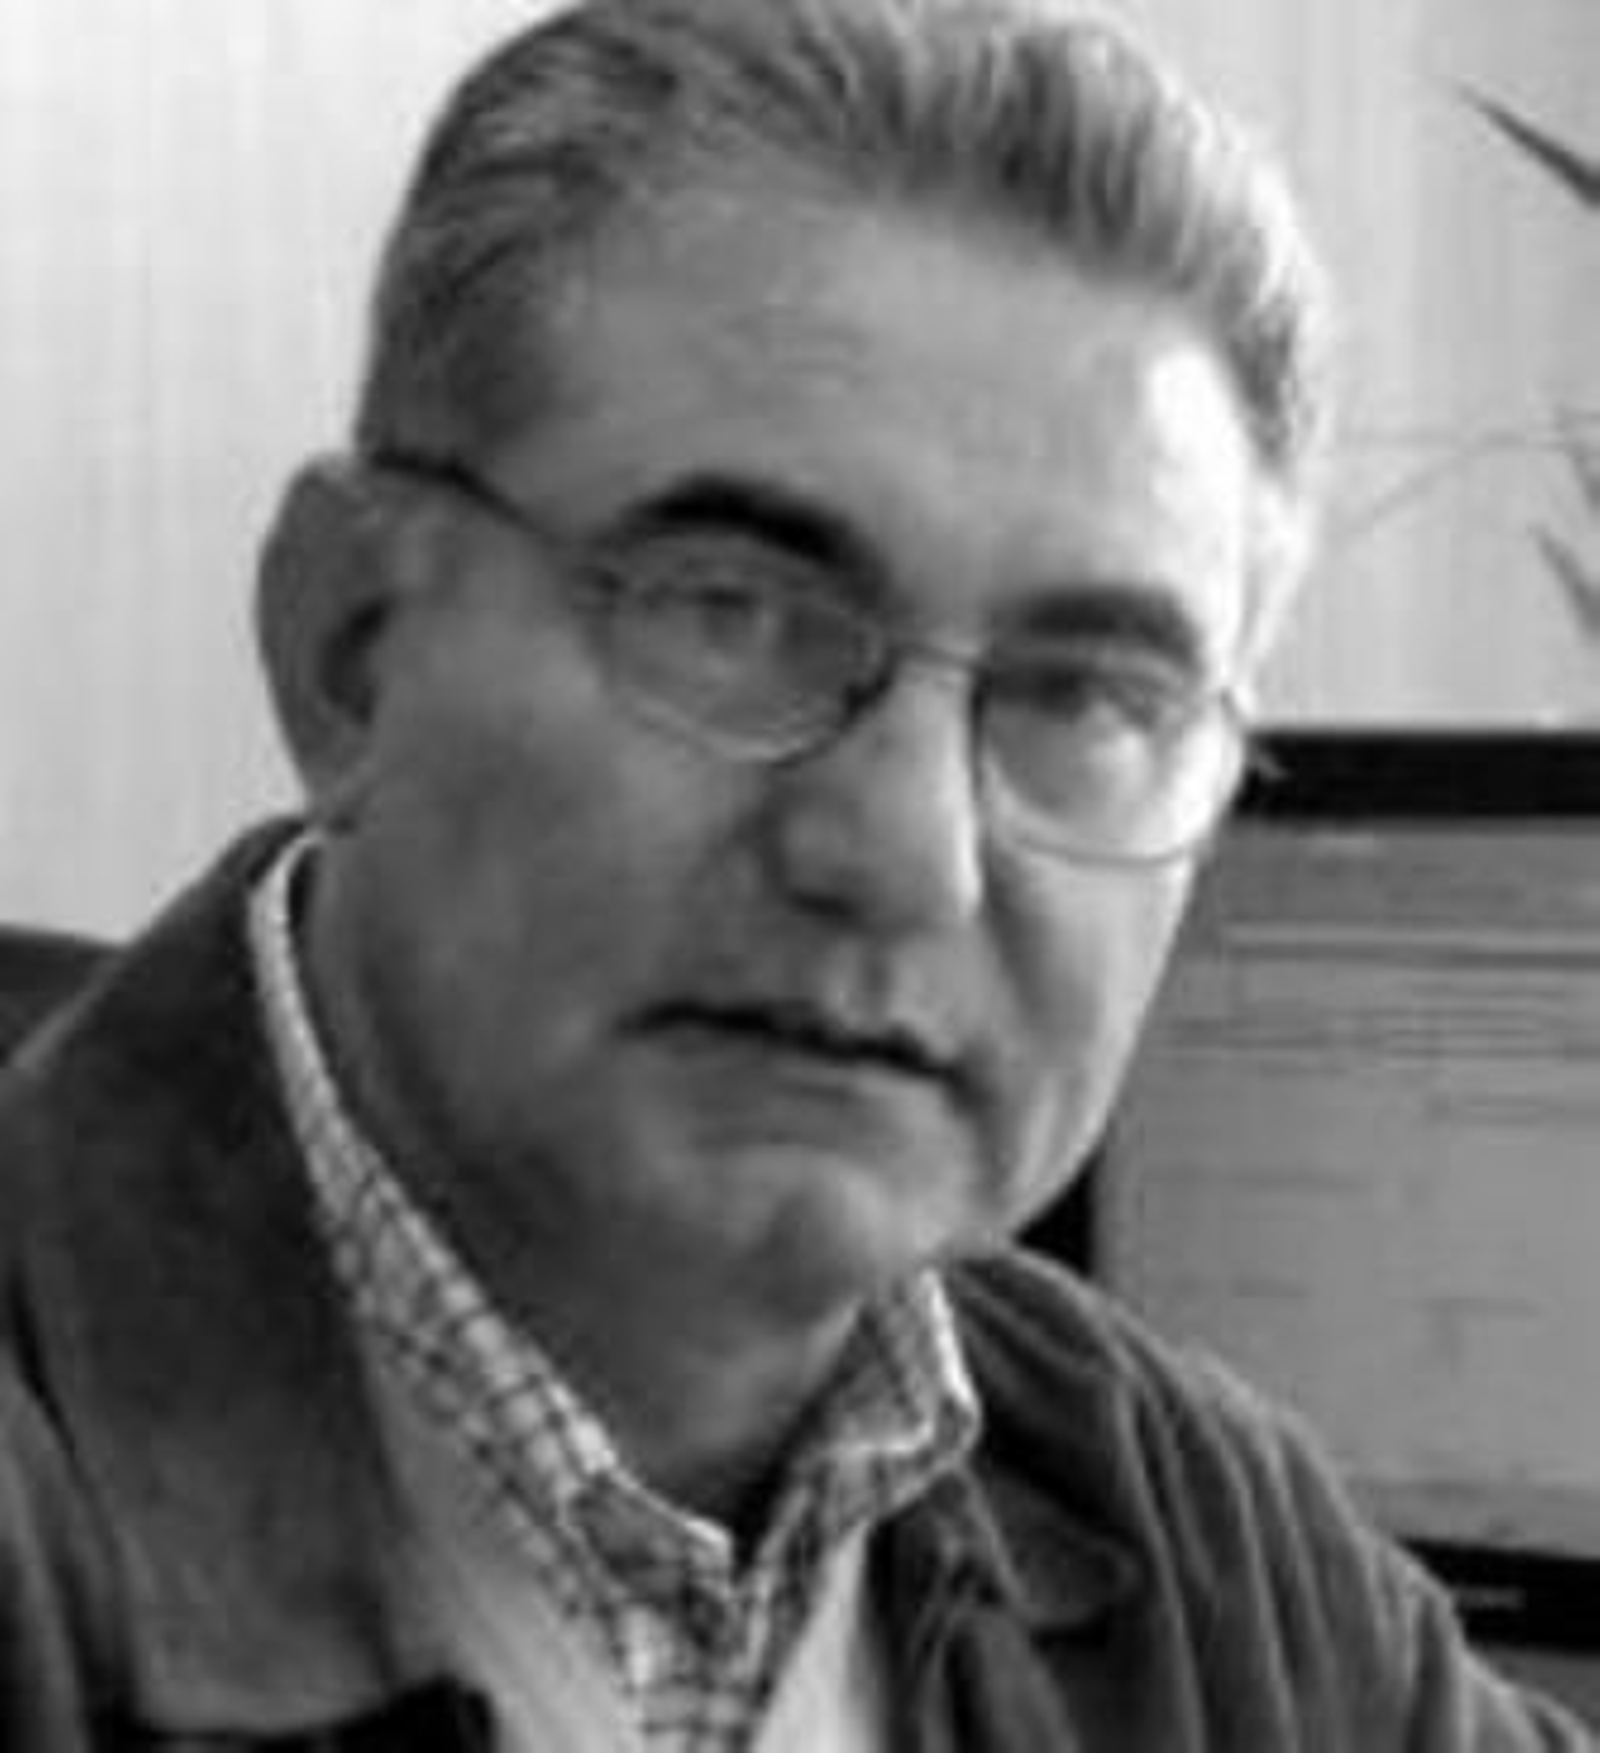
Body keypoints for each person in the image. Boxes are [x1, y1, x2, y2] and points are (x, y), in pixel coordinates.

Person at [0, 1, 1589, 1747]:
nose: (908, 856)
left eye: (1086, 695)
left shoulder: (1196, 1542)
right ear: (353, 647)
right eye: (733, 613)